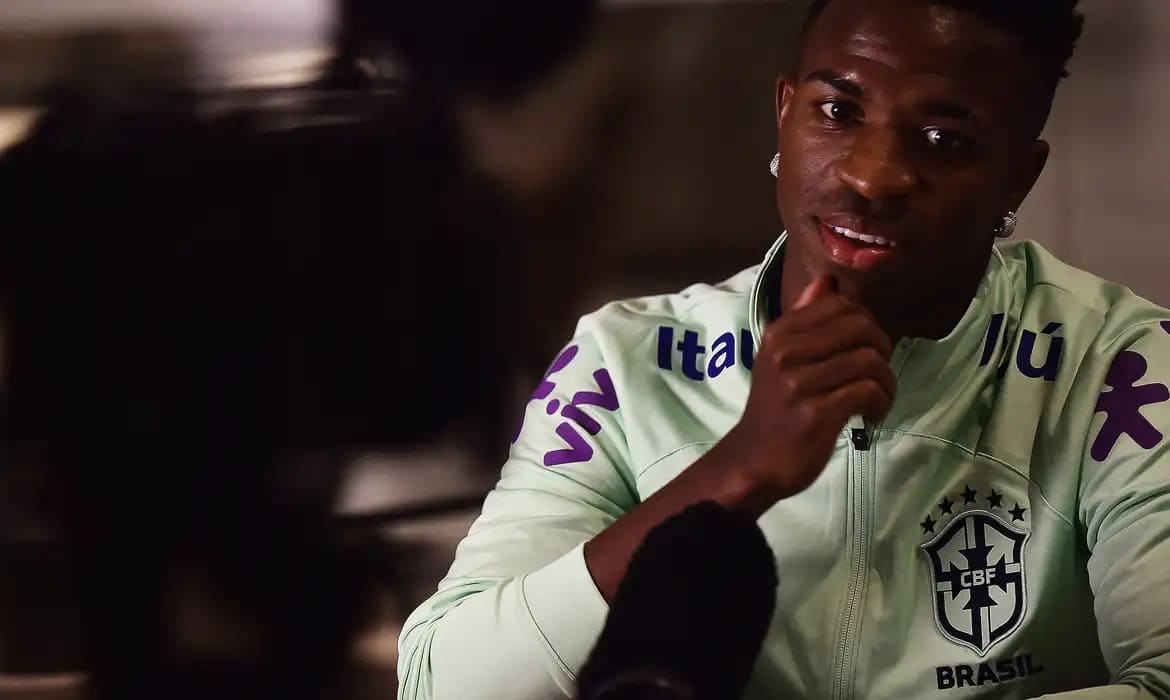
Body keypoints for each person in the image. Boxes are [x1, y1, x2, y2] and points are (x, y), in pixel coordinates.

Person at [398, 0, 1170, 697]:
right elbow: (443, 682)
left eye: (944, 139)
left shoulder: (1118, 366)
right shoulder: (625, 363)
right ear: (784, 113)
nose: (873, 176)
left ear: (1017, 179)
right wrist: (735, 469)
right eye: (839, 110)